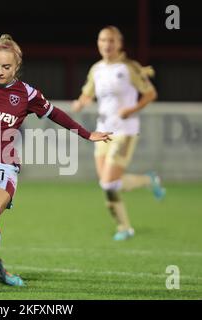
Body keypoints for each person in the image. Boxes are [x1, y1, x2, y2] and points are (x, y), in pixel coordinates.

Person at [0, 34, 112, 289]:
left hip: (2, 165)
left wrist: (87, 134)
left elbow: (56, 114)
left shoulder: (26, 94)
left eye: (6, 67)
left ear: (16, 66)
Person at [72, 26, 166, 241]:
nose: (107, 44)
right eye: (103, 40)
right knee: (108, 183)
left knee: (108, 183)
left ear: (119, 44)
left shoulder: (129, 67)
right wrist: (80, 103)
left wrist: (131, 110)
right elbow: (87, 93)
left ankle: (125, 227)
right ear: (98, 43)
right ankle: (147, 183)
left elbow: (151, 93)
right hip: (102, 132)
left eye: (111, 40)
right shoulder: (96, 69)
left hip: (125, 131)